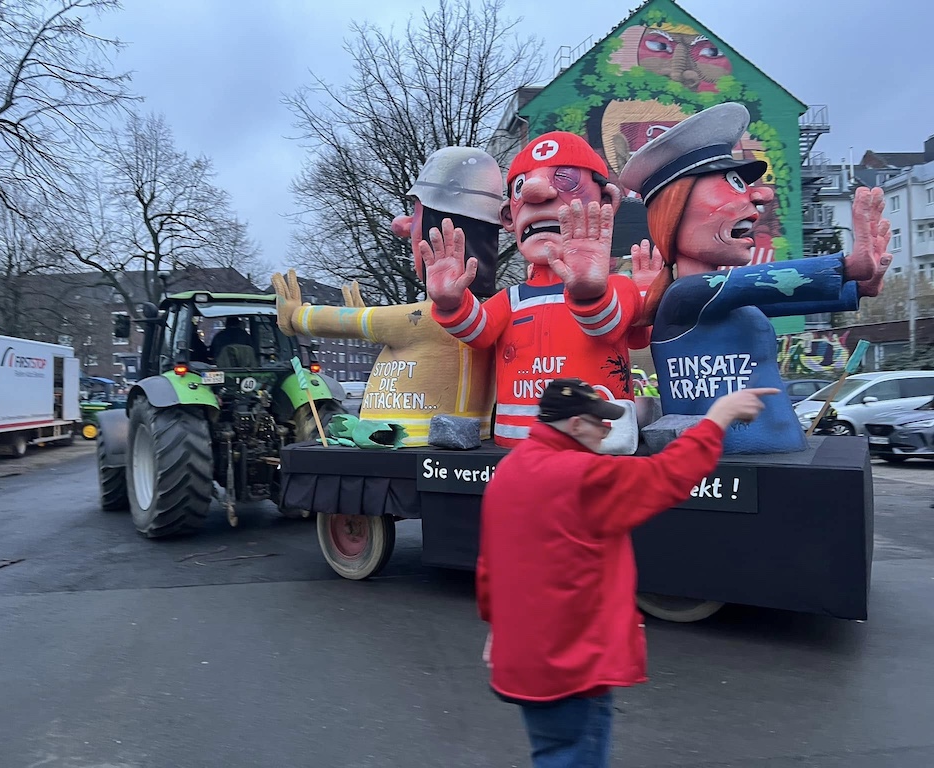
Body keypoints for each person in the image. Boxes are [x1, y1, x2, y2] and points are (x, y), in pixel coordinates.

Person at [477, 377, 778, 767]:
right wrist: (717, 418)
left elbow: (490, 566)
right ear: (575, 425)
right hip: (572, 666)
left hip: (525, 658)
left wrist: (497, 627)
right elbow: (665, 476)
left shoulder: (510, 470)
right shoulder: (582, 475)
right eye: (600, 421)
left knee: (552, 752)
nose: (607, 430)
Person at [619, 102, 892, 453]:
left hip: (769, 457)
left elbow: (778, 292)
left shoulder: (729, 298)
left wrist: (859, 286)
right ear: (674, 212)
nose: (759, 196)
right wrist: (847, 267)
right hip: (726, 468)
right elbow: (769, 281)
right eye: (732, 184)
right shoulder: (685, 295)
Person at [422, 131, 660, 449]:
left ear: (606, 202)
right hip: (516, 449)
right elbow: (478, 332)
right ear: (509, 215)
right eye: (521, 187)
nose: (536, 192)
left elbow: (607, 326)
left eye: (565, 179)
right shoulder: (511, 299)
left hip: (593, 448)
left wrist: (590, 291)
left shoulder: (619, 288)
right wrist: (452, 302)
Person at [271, 146, 501, 446]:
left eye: (416, 216)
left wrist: (295, 317)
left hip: (404, 446)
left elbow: (354, 323)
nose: (403, 226)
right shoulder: (488, 317)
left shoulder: (427, 319)